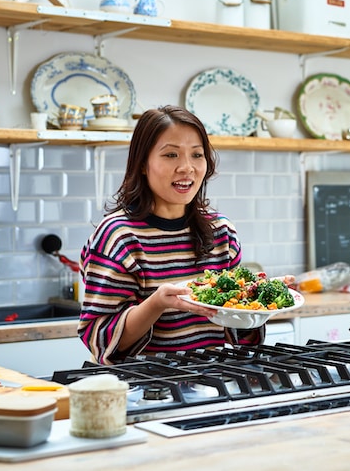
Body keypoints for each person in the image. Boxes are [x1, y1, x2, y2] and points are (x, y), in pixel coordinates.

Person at [78, 105, 262, 364]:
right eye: (171, 155)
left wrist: (260, 299)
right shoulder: (118, 237)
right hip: (144, 384)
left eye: (197, 154)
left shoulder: (222, 233)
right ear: (143, 164)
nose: (187, 167)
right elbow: (101, 338)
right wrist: (157, 303)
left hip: (214, 380)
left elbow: (238, 332)